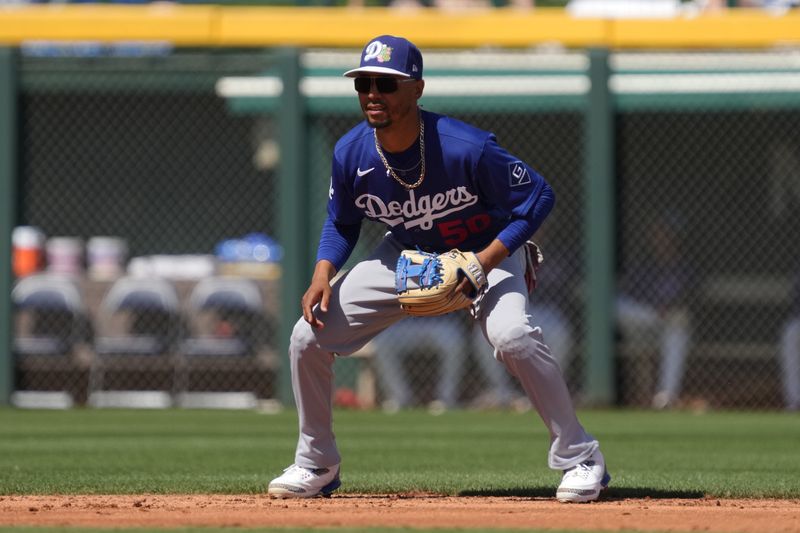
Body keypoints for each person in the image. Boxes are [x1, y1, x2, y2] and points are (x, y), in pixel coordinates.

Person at [267, 35, 610, 503]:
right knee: (307, 338)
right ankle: (316, 463)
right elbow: (342, 221)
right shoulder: (352, 153)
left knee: (512, 336)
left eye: (386, 84)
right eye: (364, 83)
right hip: (407, 254)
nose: (372, 93)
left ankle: (581, 456)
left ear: (416, 89)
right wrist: (323, 272)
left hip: (487, 250)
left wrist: (487, 260)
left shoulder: (464, 147)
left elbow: (538, 197)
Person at [616, 213, 694, 409]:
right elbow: (630, 294)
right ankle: (646, 395)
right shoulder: (644, 265)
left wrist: (671, 306)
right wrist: (654, 309)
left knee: (678, 331)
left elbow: (693, 297)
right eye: (658, 234)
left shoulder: (686, 267)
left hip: (670, 324)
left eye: (667, 234)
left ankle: (666, 396)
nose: (661, 239)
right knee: (617, 305)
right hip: (643, 323)